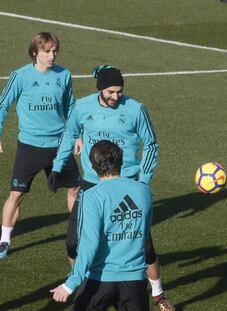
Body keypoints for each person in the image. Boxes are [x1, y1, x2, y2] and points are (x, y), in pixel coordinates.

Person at [49, 65, 174, 311]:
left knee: (144, 246)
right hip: (91, 185)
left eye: (119, 91)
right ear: (100, 89)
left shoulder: (136, 109)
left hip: (128, 184)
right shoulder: (82, 108)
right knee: (73, 243)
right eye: (111, 91)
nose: (116, 96)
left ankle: (158, 293)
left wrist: (143, 180)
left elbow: (151, 144)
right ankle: (87, 281)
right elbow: (69, 134)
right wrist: (57, 166)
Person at [0, 32, 80, 259]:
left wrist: (77, 135)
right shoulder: (20, 76)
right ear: (35, 52)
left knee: (75, 188)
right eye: (47, 51)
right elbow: (2, 105)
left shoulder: (63, 75)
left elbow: (71, 107)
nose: (52, 55)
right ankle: (4, 239)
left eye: (55, 51)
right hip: (30, 146)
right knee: (16, 194)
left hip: (59, 145)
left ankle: (78, 231)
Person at [51, 140, 152, 310]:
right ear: (121, 161)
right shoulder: (144, 191)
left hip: (99, 280)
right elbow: (144, 232)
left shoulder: (91, 197)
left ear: (92, 165)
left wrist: (71, 283)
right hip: (135, 282)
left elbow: (88, 243)